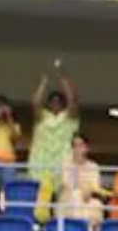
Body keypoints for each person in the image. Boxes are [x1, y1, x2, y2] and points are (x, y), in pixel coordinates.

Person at [27, 65, 79, 222]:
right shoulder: (42, 117)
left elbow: (73, 100)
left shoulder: (69, 119)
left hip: (62, 164)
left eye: (58, 101)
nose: (55, 103)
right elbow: (35, 102)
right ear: (48, 104)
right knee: (40, 205)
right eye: (52, 100)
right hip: (40, 164)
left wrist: (63, 77)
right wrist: (43, 81)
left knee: (60, 203)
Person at [56, 134, 107, 228]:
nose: (78, 149)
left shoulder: (93, 166)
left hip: (87, 198)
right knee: (75, 196)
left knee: (97, 204)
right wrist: (76, 167)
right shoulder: (65, 164)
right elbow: (66, 184)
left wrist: (88, 190)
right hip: (67, 198)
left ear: (87, 148)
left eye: (81, 145)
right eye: (75, 146)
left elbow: (95, 187)